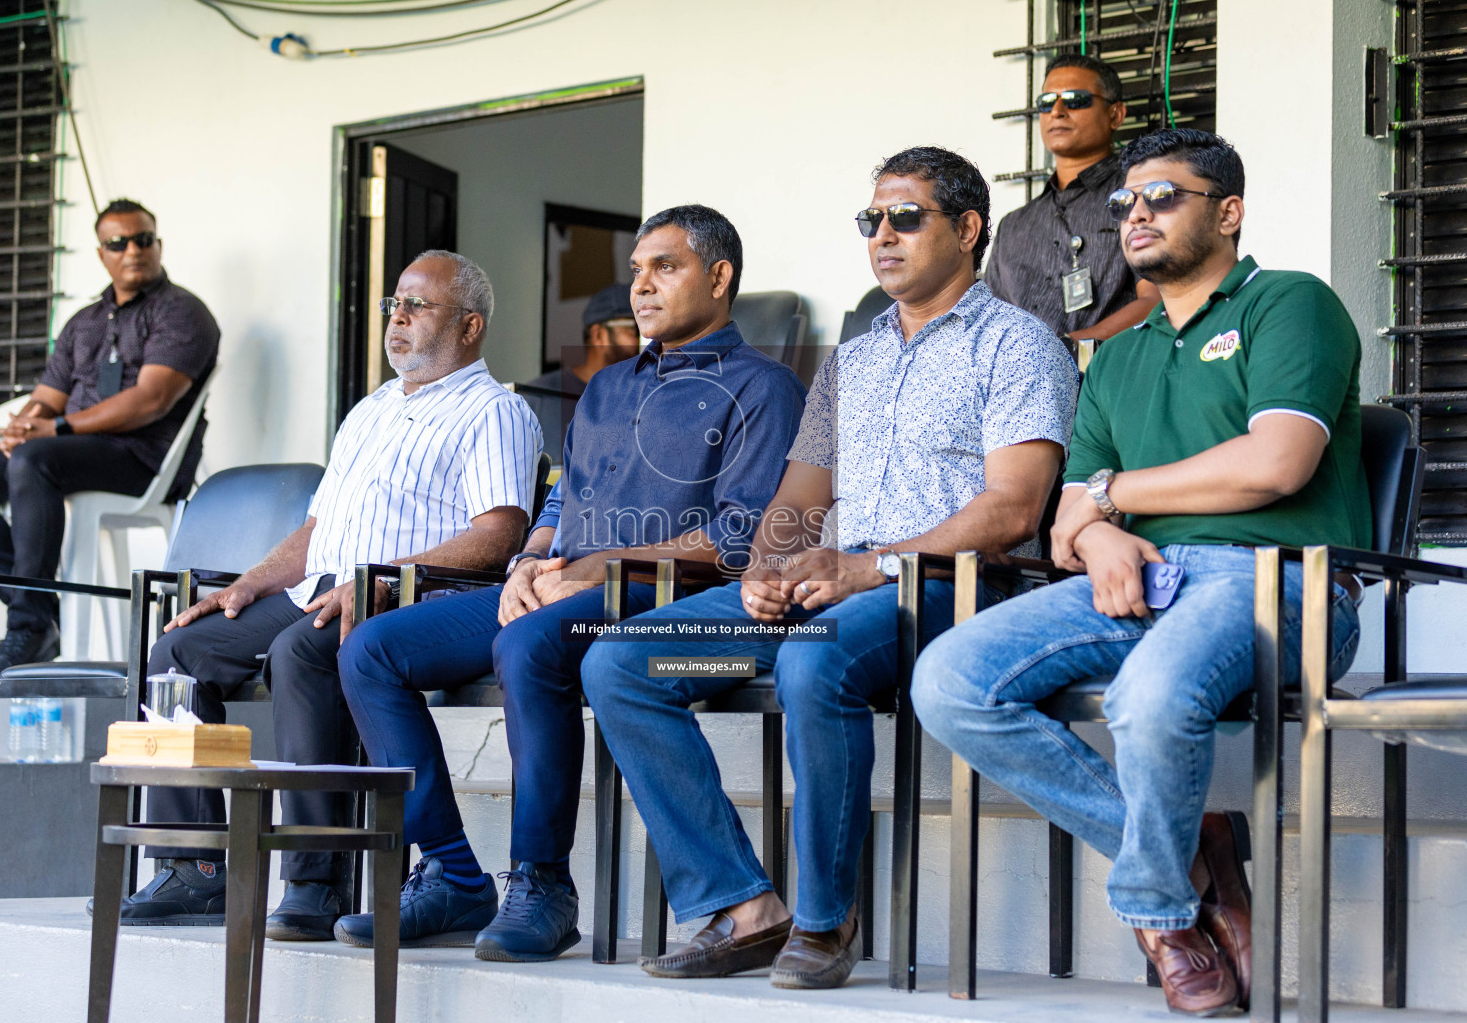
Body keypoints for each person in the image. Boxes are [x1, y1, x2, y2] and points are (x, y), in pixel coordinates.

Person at [580, 146, 1078, 989]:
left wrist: (869, 565)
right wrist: (767, 569)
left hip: (947, 594)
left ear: (967, 229)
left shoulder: (1019, 345)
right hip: (823, 593)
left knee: (816, 660)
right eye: (871, 220)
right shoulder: (855, 359)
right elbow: (800, 498)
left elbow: (1013, 510)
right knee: (624, 660)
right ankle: (743, 906)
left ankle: (825, 918)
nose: (882, 235)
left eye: (905, 218)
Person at [911, 129, 1369, 1017]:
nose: (1136, 215)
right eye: (1125, 202)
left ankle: (1161, 915)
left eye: (1165, 197)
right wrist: (1098, 537)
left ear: (1227, 212)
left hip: (1283, 580)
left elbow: (1275, 464)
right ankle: (1191, 856)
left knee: (1150, 695)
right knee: (950, 679)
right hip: (1141, 580)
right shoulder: (1116, 355)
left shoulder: (1288, 304)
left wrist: (1111, 498)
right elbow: (1068, 518)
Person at [334, 205, 807, 960]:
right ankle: (453, 874)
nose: (641, 286)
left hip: (663, 592)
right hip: (564, 580)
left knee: (529, 644)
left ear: (719, 278)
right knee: (372, 648)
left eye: (665, 268)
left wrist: (598, 568)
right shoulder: (608, 386)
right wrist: (530, 559)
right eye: (636, 271)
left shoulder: (765, 386)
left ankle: (542, 883)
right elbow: (562, 495)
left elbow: (740, 536)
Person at [97, 250, 542, 938]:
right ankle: (196, 868)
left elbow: (498, 534)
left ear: (471, 325)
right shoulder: (369, 410)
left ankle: (314, 880)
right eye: (395, 302)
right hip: (319, 585)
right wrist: (247, 582)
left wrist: (386, 576)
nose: (397, 317)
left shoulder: (495, 411)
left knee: (300, 652)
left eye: (417, 306)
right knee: (179, 652)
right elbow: (317, 527)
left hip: (408, 594)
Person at [0, 198, 218, 675]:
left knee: (35, 460)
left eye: (143, 239)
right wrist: (26, 422)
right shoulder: (84, 321)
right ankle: (41, 611)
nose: (133, 250)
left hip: (142, 460)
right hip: (65, 451)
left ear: (159, 245)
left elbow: (151, 400)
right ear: (101, 252)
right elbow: (49, 394)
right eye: (118, 242)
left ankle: (27, 625)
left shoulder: (183, 312)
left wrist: (54, 428)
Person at [983, 54, 1161, 361]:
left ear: (1115, 115)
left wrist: (1067, 352)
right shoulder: (1014, 225)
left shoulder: (1139, 196)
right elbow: (989, 325)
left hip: (1112, 387)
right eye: (1046, 101)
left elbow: (1160, 302)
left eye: (1076, 100)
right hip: (1022, 395)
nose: (1057, 111)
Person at [521, 281, 641, 457]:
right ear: (599, 335)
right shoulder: (539, 399)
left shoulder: (643, 396)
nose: (642, 341)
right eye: (633, 331)